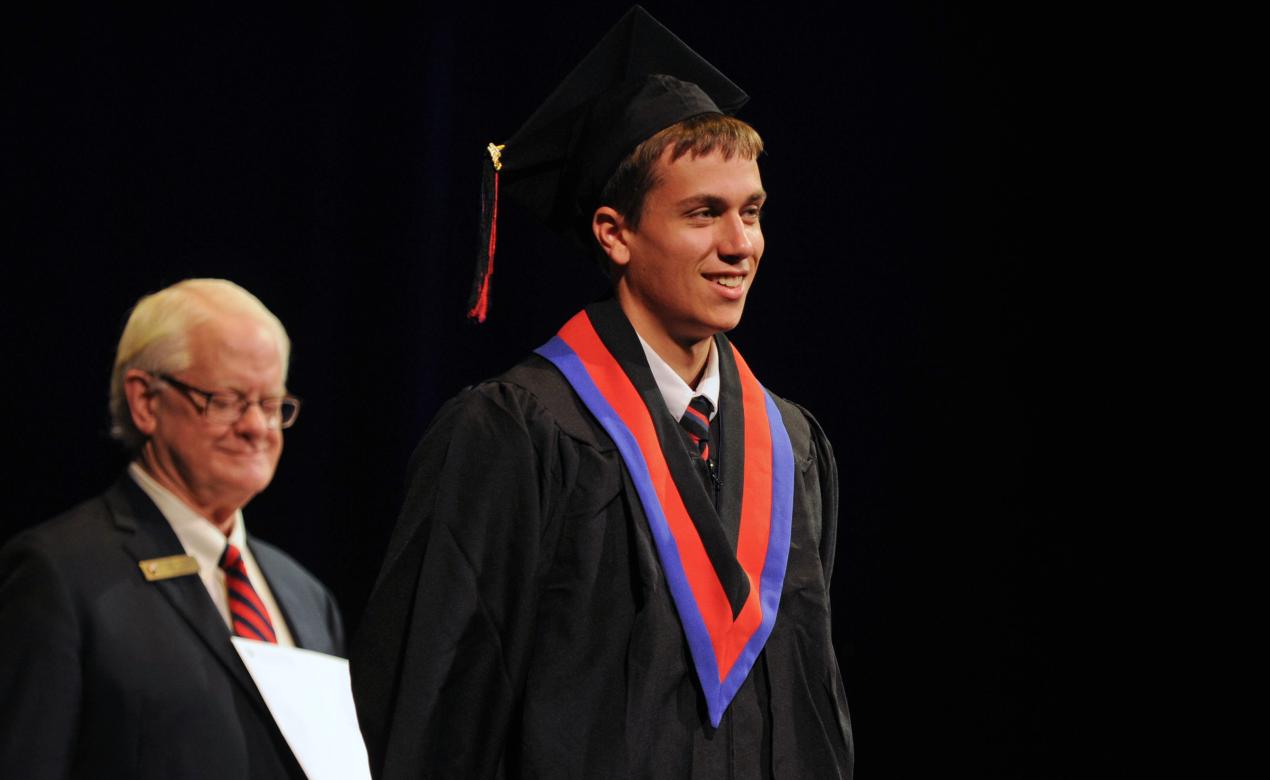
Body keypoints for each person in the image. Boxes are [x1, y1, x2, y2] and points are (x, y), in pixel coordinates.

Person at [352, 8, 852, 778]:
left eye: (750, 212)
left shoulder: (791, 446)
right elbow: (436, 710)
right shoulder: (515, 434)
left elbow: (814, 712)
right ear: (615, 233)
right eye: (703, 214)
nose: (739, 244)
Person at [0, 278, 344, 779]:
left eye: (271, 404)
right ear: (145, 401)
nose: (256, 427)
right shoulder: (59, 575)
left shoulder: (307, 596)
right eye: (227, 400)